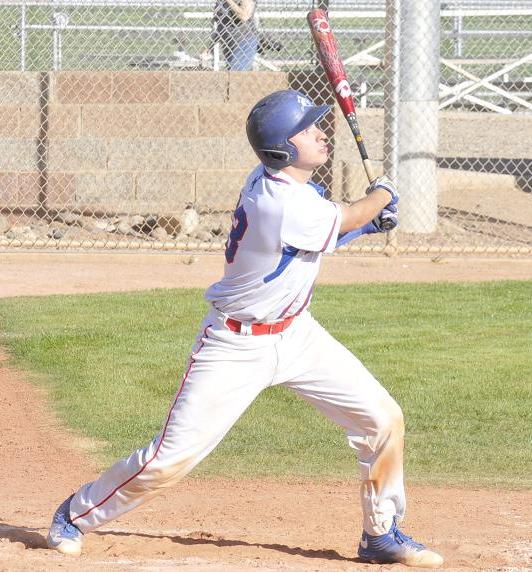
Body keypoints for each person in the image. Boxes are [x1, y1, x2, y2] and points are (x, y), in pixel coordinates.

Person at [47, 89, 444, 568]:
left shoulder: (290, 189)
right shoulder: (281, 202)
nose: (322, 132)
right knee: (169, 459)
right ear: (282, 149)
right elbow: (338, 218)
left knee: (382, 419)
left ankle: (380, 535)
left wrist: (367, 224)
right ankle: (74, 514)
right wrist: (382, 195)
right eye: (308, 128)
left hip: (298, 336)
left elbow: (323, 234)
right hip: (234, 346)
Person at [210, 0, 258, 71]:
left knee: (236, 74)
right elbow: (219, 24)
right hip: (228, 43)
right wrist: (210, 47)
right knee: (230, 74)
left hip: (244, 41)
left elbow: (244, 16)